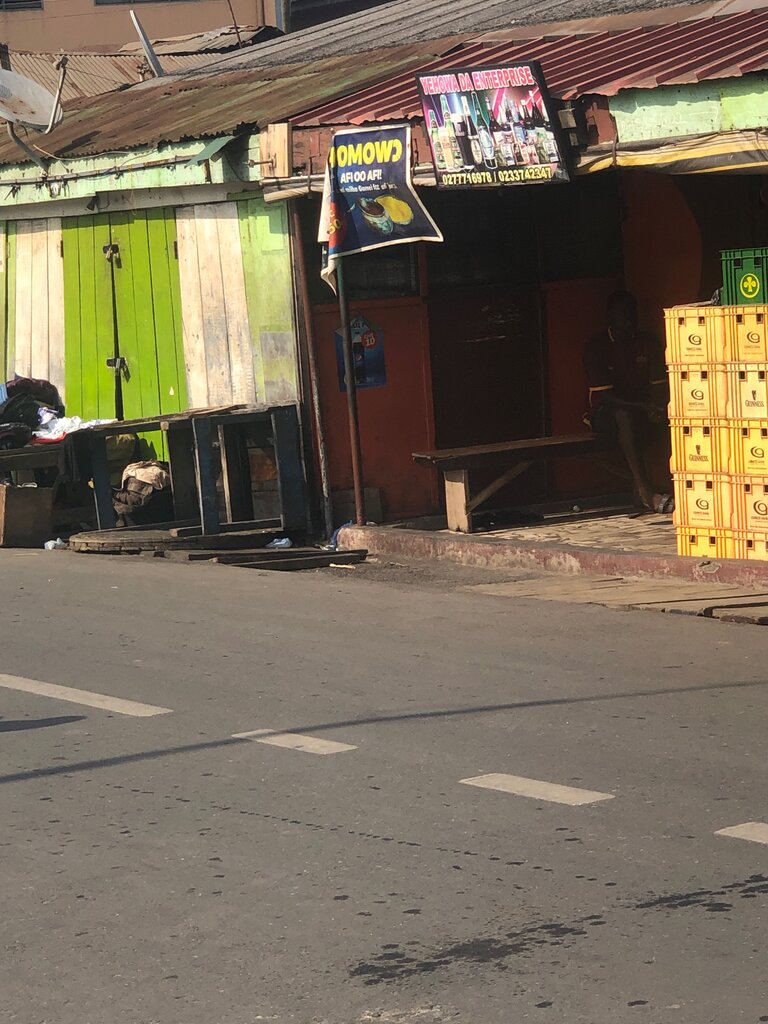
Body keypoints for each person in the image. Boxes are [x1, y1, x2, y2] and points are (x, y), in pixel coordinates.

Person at [584, 290, 673, 514]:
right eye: (623, 314)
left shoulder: (647, 341)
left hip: (644, 409)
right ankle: (645, 492)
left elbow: (659, 385)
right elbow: (606, 397)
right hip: (607, 414)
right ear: (610, 316)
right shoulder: (597, 345)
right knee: (624, 416)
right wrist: (644, 407)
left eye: (632, 314)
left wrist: (658, 406)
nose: (629, 320)